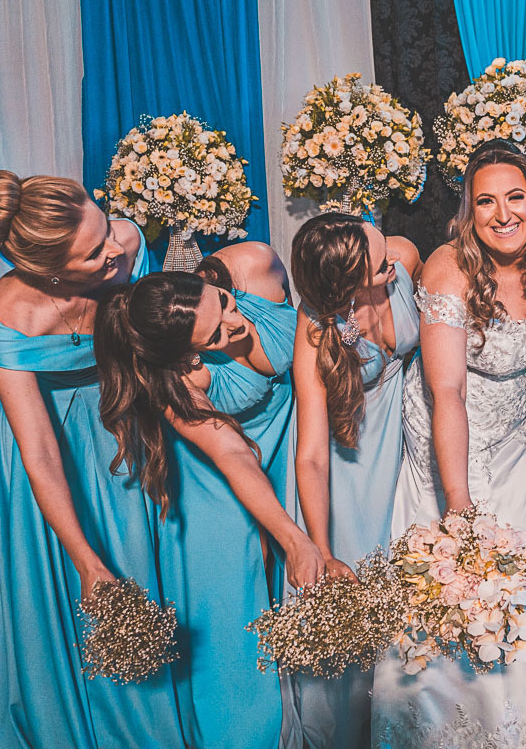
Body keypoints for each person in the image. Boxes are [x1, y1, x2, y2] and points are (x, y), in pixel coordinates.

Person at [370, 140, 526, 747]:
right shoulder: (450, 270)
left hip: (514, 447)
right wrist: (458, 502)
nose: (504, 214)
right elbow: (445, 390)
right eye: (486, 202)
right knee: (457, 602)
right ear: (467, 212)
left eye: (516, 197)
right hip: (454, 449)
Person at [0, 171, 186, 748]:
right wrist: (86, 561)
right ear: (52, 272)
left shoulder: (124, 244)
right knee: (87, 578)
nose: (118, 248)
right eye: (96, 253)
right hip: (53, 450)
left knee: (154, 562)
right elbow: (37, 449)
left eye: (108, 228)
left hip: (123, 414)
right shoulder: (9, 318)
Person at [94, 260, 324, 749]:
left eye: (223, 303)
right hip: (225, 475)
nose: (236, 324)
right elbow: (233, 455)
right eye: (216, 337)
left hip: (300, 440)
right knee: (235, 606)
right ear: (186, 357)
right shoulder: (177, 383)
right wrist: (294, 539)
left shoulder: (252, 264)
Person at [289, 214, 421, 748]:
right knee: (356, 597)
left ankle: (406, 721)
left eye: (381, 243)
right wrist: (318, 547)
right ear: (345, 283)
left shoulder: (402, 261)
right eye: (377, 260)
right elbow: (313, 453)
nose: (390, 258)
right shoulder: (316, 326)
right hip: (350, 468)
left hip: (406, 452)